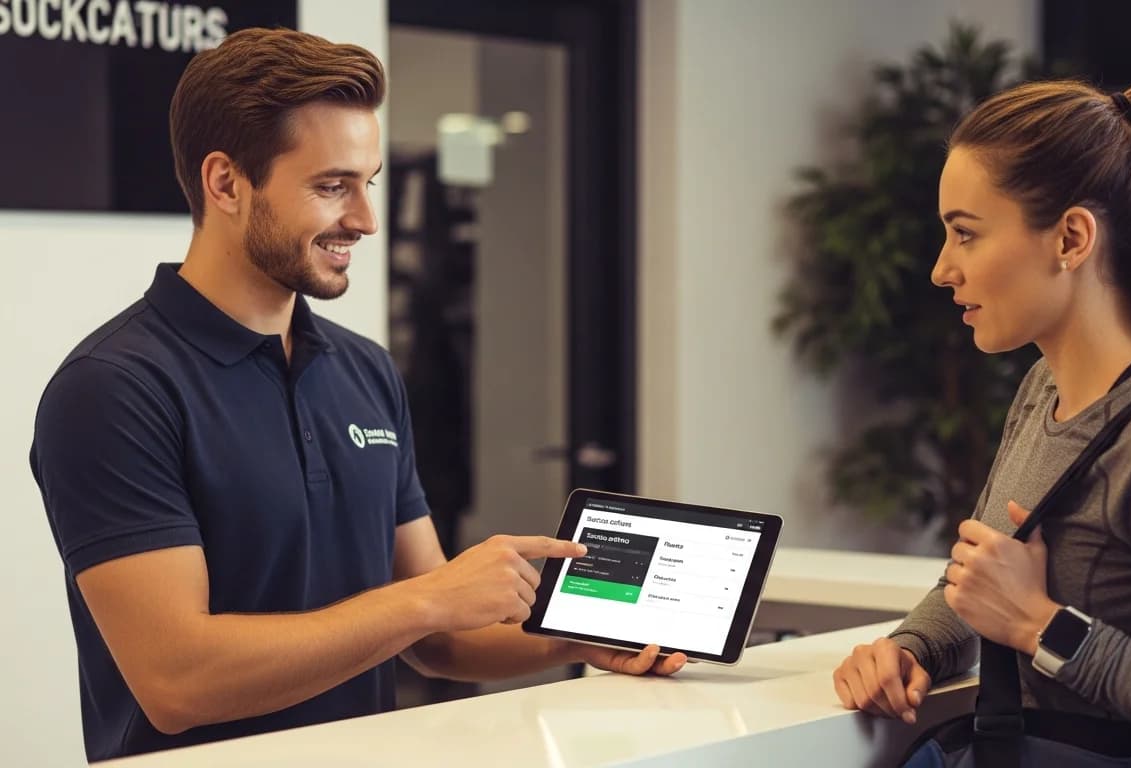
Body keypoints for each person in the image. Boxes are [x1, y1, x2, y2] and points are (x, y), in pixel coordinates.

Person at [29, 28, 684, 763]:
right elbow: (178, 680)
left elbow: (436, 640)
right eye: (331, 186)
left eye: (367, 183)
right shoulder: (115, 389)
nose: (366, 220)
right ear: (225, 184)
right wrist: (427, 598)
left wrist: (583, 637)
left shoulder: (364, 371)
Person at [831, 76, 1131, 767]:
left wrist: (1042, 626)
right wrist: (911, 647)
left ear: (1070, 237)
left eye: (965, 235)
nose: (943, 270)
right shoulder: (1043, 389)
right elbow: (983, 582)